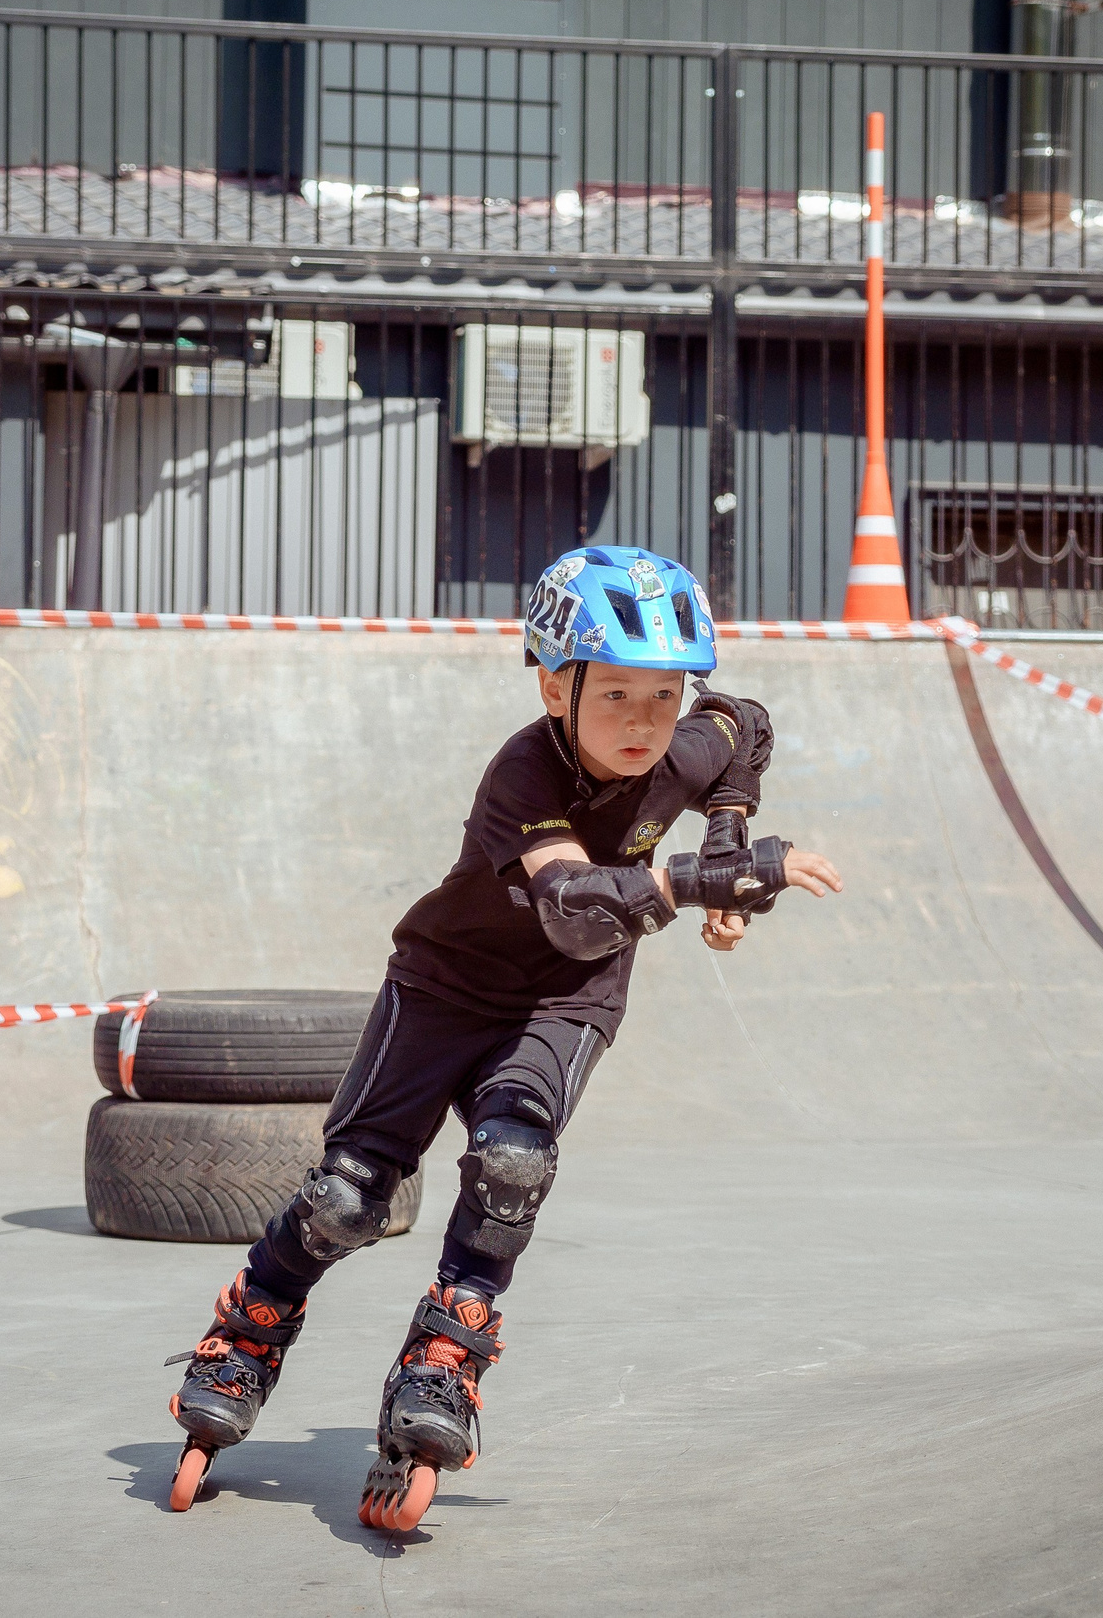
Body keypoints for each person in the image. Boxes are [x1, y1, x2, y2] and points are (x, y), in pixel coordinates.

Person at [160, 546, 844, 1532]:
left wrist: (730, 834)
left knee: (513, 1160)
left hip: (564, 1005)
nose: (644, 722)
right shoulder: (524, 768)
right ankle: (253, 1322)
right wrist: (701, 880)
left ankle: (445, 1354)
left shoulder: (678, 743)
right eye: (614, 695)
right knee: (350, 1198)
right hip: (442, 988)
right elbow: (572, 904)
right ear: (552, 686)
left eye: (663, 695)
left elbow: (745, 724)